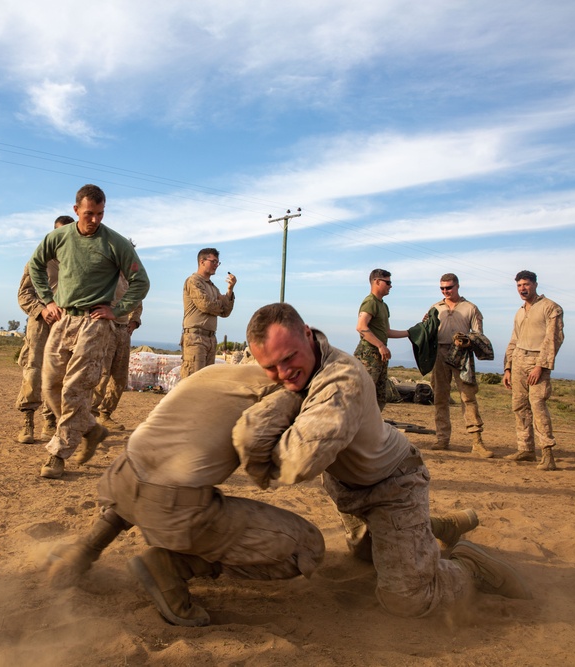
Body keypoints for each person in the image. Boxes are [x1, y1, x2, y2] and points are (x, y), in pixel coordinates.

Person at [46, 362, 478, 626]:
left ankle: (84, 552)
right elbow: (282, 461)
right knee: (306, 547)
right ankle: (171, 567)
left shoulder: (217, 372)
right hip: (175, 507)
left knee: (157, 464)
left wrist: (86, 550)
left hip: (123, 472)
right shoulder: (284, 394)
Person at [238, 302, 531, 619]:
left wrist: (250, 446)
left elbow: (298, 462)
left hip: (394, 485)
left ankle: (469, 565)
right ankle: (436, 526)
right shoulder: (298, 366)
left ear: (307, 334)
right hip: (348, 489)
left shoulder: (341, 380)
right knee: (367, 557)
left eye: (289, 358)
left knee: (407, 599)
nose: (282, 373)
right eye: (270, 366)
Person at [28, 184, 150, 479]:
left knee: (74, 389)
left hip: (95, 323)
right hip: (63, 319)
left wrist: (117, 310)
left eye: (99, 213)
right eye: (89, 213)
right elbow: (35, 266)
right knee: (50, 386)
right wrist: (46, 302)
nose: (94, 219)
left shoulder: (116, 243)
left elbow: (141, 282)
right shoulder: (58, 237)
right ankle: (92, 430)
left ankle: (58, 454)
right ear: (76, 210)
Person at [15, 215, 73, 444]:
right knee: (34, 370)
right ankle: (27, 420)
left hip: (66, 327)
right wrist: (42, 310)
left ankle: (50, 421)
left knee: (61, 375)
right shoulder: (37, 262)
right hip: (40, 324)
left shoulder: (75, 266)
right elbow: (24, 295)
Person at [502, 271, 564, 471]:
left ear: (535, 285)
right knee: (519, 406)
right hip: (518, 360)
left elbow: (553, 339)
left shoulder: (550, 308)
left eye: (526, 284)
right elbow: (514, 339)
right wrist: (508, 367)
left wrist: (541, 366)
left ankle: (547, 453)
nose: (522, 288)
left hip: (537, 361)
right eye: (519, 285)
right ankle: (526, 449)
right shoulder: (520, 311)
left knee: (537, 406)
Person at [429, 273, 493, 457]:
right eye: (442, 288)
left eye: (449, 287)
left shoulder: (471, 308)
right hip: (439, 354)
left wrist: (467, 341)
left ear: (457, 286)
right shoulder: (435, 308)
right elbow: (428, 331)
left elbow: (479, 335)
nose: (445, 291)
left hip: (462, 355)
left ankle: (476, 442)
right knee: (440, 397)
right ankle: (442, 439)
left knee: (468, 397)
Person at [92, 274, 143, 431]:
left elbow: (138, 302)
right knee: (102, 375)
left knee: (120, 378)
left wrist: (134, 321)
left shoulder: (130, 279)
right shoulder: (107, 272)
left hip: (123, 331)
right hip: (107, 328)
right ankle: (89, 416)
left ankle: (105, 414)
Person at [355, 269, 409, 411]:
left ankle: (372, 428)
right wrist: (380, 345)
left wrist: (410, 333)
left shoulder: (383, 306)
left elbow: (386, 332)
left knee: (379, 397)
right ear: (377, 282)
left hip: (380, 355)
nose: (390, 286)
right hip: (368, 354)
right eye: (388, 282)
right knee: (364, 395)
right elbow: (361, 327)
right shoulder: (370, 302)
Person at [180, 248, 235, 378]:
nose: (216, 265)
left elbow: (226, 312)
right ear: (202, 261)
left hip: (210, 339)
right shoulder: (193, 281)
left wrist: (230, 290)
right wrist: (220, 304)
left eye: (218, 262)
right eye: (213, 261)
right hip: (195, 339)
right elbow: (205, 305)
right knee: (193, 381)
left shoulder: (213, 288)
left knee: (205, 381)